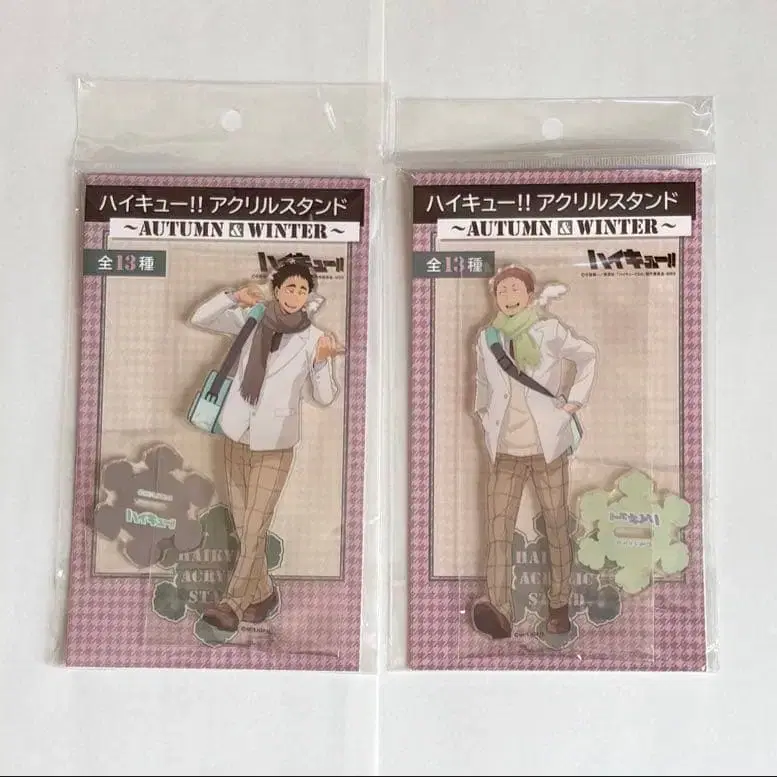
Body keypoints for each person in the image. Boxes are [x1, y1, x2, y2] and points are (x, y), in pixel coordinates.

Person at [190, 260, 344, 633]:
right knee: (245, 526)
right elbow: (200, 318)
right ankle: (263, 594)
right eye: (290, 287)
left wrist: (322, 363)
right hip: (235, 431)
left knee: (255, 525)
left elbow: (325, 397)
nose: (295, 295)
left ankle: (232, 604)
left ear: (308, 296)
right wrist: (233, 297)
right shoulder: (252, 320)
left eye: (302, 290)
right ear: (276, 289)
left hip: (275, 442)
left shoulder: (313, 338)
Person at [473, 265, 597, 638]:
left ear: (529, 295)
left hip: (547, 447)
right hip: (505, 450)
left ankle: (559, 606)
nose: (508, 297)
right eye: (502, 291)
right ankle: (499, 610)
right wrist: (484, 415)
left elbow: (587, 355)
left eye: (515, 290)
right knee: (498, 529)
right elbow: (483, 381)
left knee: (556, 526)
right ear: (494, 297)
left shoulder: (550, 331)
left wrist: (574, 402)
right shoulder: (487, 338)